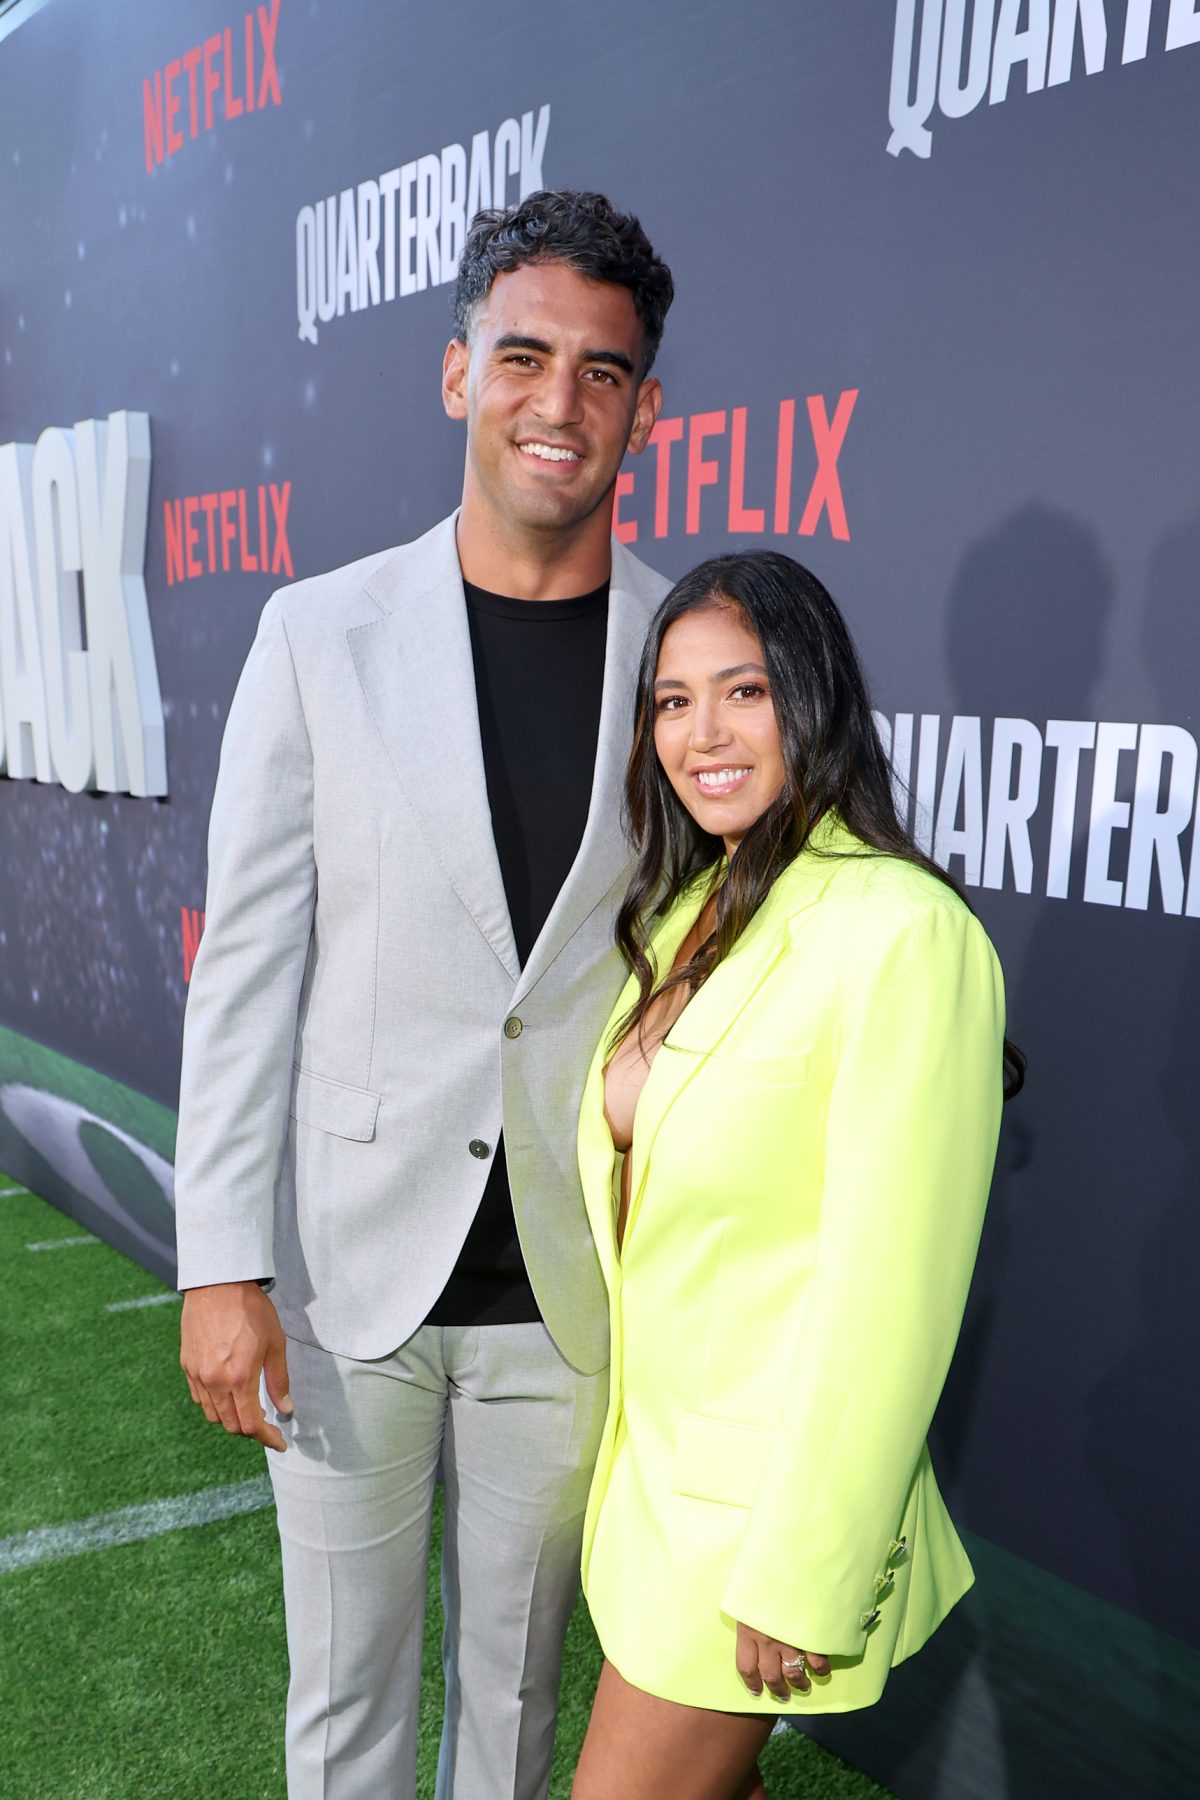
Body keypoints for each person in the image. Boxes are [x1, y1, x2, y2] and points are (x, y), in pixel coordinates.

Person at [173, 190, 674, 1800]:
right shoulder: (317, 635)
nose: (560, 403)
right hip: (344, 1287)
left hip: (569, 1292)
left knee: (515, 1713)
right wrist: (220, 1262)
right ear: (457, 374)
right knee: (347, 1716)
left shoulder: (689, 650)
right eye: (523, 356)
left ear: (646, 408)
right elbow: (247, 968)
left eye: (603, 372)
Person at [570, 551, 1022, 1800]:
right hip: (645, 1494)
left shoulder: (905, 935)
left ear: (813, 701)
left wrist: (807, 1566)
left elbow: (895, 1290)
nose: (701, 734)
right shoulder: (691, 909)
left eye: (744, 691)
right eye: (671, 700)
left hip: (752, 1530)